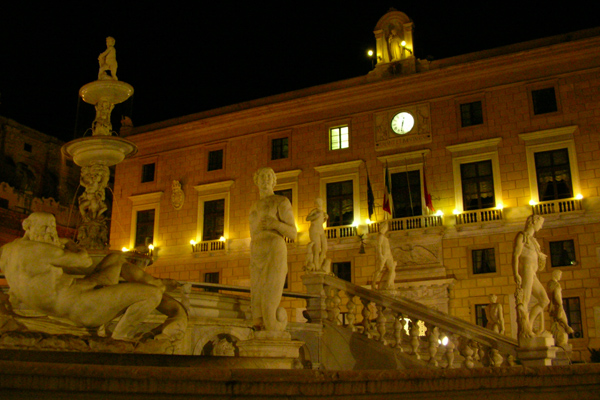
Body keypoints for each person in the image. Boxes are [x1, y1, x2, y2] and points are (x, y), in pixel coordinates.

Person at [0, 212, 186, 341]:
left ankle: (156, 282)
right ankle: (120, 338)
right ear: (31, 228)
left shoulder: (7, 251)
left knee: (116, 259)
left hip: (78, 290)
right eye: (48, 229)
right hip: (80, 307)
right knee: (151, 295)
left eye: (52, 228)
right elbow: (85, 261)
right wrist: (70, 244)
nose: (51, 233)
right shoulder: (44, 250)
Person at [248, 168, 297, 332]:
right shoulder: (253, 206)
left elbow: (293, 233)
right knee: (256, 299)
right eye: (262, 176)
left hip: (274, 248)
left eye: (269, 176)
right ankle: (259, 329)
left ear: (274, 180)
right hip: (256, 251)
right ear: (256, 181)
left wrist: (275, 224)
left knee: (270, 293)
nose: (265, 179)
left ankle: (274, 326)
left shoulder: (281, 201)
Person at [512, 214, 549, 337]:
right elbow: (516, 255)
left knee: (545, 300)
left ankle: (529, 325)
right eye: (540, 223)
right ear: (533, 222)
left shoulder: (533, 240)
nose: (541, 226)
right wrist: (516, 272)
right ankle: (525, 330)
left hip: (533, 273)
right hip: (527, 270)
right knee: (525, 300)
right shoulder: (522, 236)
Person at [547, 269, 574, 345]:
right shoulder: (556, 285)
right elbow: (557, 295)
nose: (560, 277)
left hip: (552, 306)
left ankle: (562, 333)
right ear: (556, 275)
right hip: (557, 305)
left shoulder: (549, 284)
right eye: (559, 275)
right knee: (561, 318)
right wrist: (560, 304)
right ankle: (567, 328)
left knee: (557, 322)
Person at [371, 221, 397, 290]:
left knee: (392, 269)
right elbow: (378, 246)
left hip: (388, 255)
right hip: (383, 255)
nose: (387, 228)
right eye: (386, 227)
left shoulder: (384, 236)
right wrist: (380, 255)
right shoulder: (380, 235)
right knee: (379, 269)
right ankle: (373, 283)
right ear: (383, 227)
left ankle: (388, 285)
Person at [305, 198, 328, 272]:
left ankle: (320, 265)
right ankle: (317, 267)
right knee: (317, 250)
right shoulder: (315, 211)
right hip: (314, 230)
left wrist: (325, 218)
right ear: (316, 203)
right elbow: (307, 218)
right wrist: (316, 215)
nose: (319, 203)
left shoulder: (322, 212)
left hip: (321, 230)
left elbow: (320, 221)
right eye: (318, 202)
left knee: (325, 248)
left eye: (320, 202)